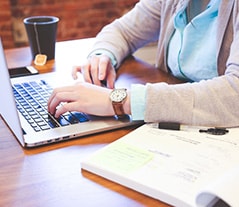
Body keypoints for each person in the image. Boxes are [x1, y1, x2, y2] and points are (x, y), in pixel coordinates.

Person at [48, 0, 239, 127]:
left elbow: (234, 95)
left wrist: (120, 101)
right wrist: (102, 55)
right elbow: (123, 31)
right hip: (178, 124)